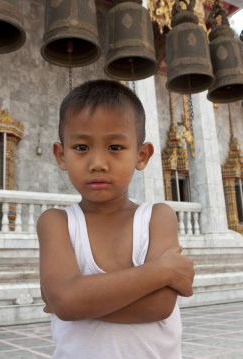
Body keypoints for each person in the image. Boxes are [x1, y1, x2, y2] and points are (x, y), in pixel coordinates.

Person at [37, 79, 195, 359]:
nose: (98, 162)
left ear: (142, 155)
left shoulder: (157, 218)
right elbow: (65, 301)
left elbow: (159, 305)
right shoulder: (56, 223)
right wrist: (164, 271)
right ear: (61, 156)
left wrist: (79, 302)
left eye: (115, 147)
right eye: (82, 147)